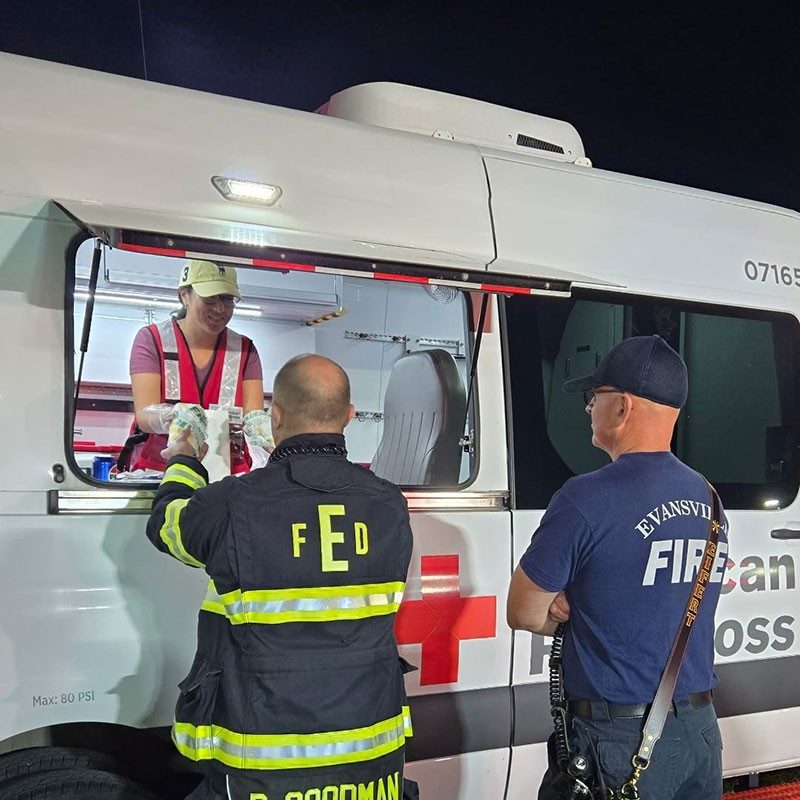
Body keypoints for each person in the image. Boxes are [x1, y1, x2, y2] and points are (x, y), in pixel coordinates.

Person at [145, 354, 415, 800]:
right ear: (349, 417)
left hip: (264, 771)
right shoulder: (389, 504)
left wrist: (183, 460)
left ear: (275, 417)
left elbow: (167, 526)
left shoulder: (232, 504)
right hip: (374, 764)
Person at [506, 335, 727, 800]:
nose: (589, 408)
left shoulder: (584, 498)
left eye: (594, 396)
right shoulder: (708, 497)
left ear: (623, 407)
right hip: (700, 732)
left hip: (621, 742)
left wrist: (570, 609)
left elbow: (523, 612)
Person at [121, 259, 271, 475]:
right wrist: (174, 416)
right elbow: (145, 417)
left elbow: (253, 416)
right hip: (164, 470)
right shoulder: (152, 340)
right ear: (185, 295)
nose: (220, 309)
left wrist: (267, 433)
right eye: (210, 299)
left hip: (227, 472)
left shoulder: (245, 350)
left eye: (228, 300)